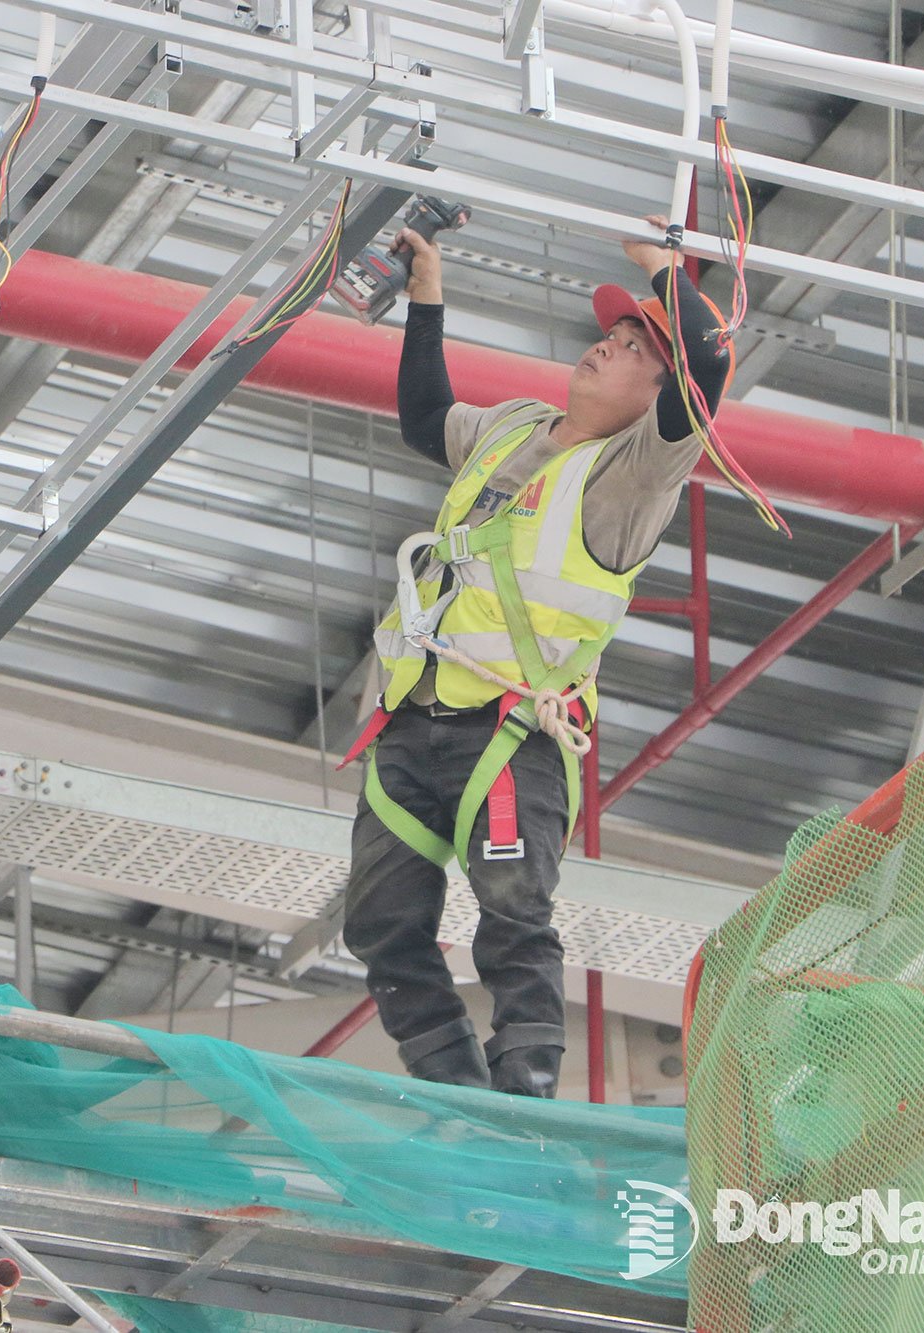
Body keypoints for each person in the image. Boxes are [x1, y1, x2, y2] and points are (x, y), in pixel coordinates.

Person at [339, 217, 732, 1099]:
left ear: (654, 398)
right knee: (380, 925)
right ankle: (458, 1091)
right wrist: (428, 296)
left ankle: (527, 1103)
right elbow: (424, 418)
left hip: (512, 736)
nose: (607, 346)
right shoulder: (517, 428)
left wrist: (670, 274)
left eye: (633, 349)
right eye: (610, 335)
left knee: (514, 916)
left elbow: (706, 375)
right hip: (412, 722)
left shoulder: (634, 477)